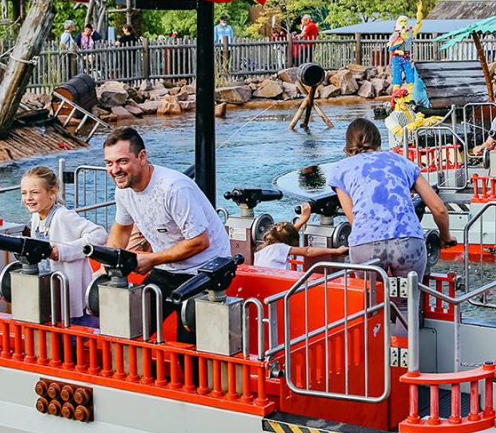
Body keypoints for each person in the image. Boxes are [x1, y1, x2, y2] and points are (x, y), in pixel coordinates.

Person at [103, 127, 231, 342]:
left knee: (187, 342)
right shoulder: (123, 190)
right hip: (166, 267)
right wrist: (106, 263)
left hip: (205, 270)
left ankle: (190, 372)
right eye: (109, 163)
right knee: (129, 325)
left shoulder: (174, 188)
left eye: (122, 161)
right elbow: (122, 228)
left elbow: (200, 242)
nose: (115, 170)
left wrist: (152, 259)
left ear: (142, 156)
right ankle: (143, 374)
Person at [327, 118, 456, 306]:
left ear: (348, 145)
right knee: (406, 307)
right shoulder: (401, 161)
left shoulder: (340, 170)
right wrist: (445, 237)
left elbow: (354, 219)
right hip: (407, 242)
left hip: (366, 245)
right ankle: (405, 333)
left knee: (371, 306)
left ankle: (376, 332)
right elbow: (439, 209)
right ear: (378, 142)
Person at [21, 166, 108, 327]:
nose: (28, 198)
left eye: (35, 192)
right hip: (51, 288)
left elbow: (99, 234)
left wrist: (64, 251)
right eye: (24, 193)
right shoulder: (36, 217)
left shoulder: (63, 216)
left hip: (71, 292)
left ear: (52, 192)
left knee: (77, 336)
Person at [253, 203, 348, 269]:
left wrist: (304, 218)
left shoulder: (264, 249)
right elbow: (307, 251)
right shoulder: (280, 248)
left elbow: (287, 235)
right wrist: (336, 251)